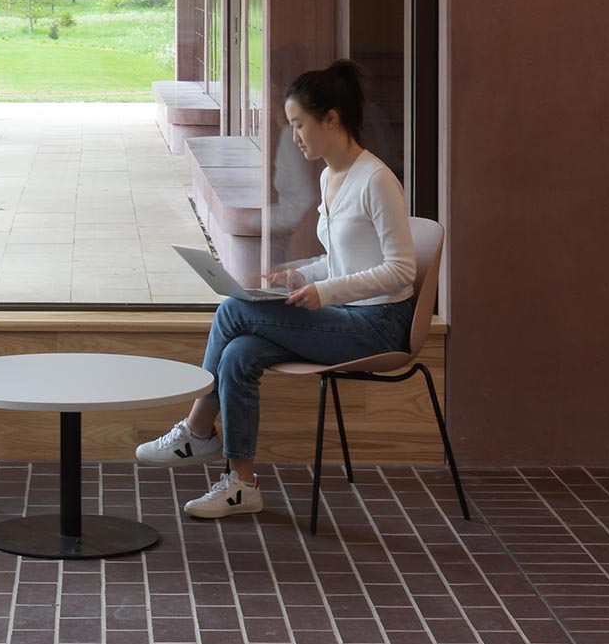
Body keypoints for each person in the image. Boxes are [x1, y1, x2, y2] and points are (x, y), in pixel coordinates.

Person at [136, 59, 417, 519]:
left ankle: (197, 430)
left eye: (300, 124)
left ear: (331, 118)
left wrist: (325, 294)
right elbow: (343, 259)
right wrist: (302, 275)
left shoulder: (377, 180)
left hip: (379, 324)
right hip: (350, 315)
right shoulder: (331, 177)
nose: (295, 137)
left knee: (233, 311)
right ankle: (240, 484)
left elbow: (401, 271)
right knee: (240, 352)